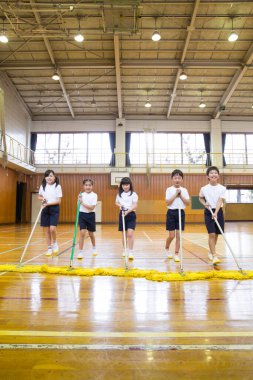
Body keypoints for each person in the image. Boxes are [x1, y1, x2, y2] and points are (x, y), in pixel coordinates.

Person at [199, 166, 226, 265]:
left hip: (218, 211)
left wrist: (216, 212)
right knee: (211, 234)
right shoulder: (204, 188)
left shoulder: (222, 188)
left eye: (215, 173)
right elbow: (201, 198)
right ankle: (214, 255)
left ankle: (211, 251)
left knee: (217, 234)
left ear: (218, 176)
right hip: (208, 211)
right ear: (208, 176)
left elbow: (220, 200)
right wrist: (204, 204)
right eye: (211, 173)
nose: (213, 174)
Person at [165, 169, 190, 262]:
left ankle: (176, 253)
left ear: (182, 179)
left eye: (179, 178)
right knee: (172, 235)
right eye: (175, 178)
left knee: (179, 235)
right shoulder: (169, 189)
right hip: (171, 213)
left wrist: (181, 195)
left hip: (181, 212)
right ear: (172, 179)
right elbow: (167, 202)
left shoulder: (184, 190)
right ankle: (167, 248)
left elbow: (187, 203)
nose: (177, 180)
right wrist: (175, 194)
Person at [38, 169, 62, 256]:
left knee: (52, 228)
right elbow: (39, 197)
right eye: (47, 176)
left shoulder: (57, 186)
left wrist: (48, 203)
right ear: (45, 178)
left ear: (54, 177)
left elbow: (58, 201)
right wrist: (43, 199)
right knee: (47, 230)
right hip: (45, 209)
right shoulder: (43, 186)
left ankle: (55, 243)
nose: (49, 177)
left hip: (54, 208)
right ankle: (49, 248)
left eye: (51, 175)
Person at [115, 177, 138, 260]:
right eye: (124, 185)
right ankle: (124, 249)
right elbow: (116, 202)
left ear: (130, 185)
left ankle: (131, 251)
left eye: (127, 185)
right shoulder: (119, 194)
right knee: (124, 234)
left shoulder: (134, 194)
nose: (125, 187)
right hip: (122, 214)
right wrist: (120, 205)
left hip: (131, 214)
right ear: (121, 186)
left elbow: (135, 205)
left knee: (130, 234)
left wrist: (127, 211)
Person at [77, 179, 98, 259]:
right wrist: (79, 201)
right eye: (86, 185)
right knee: (82, 233)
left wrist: (82, 203)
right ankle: (80, 252)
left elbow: (92, 207)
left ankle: (94, 248)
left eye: (89, 185)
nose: (88, 187)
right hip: (82, 214)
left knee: (91, 234)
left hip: (90, 215)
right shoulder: (81, 195)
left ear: (92, 186)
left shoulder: (94, 195)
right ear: (83, 186)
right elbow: (78, 206)